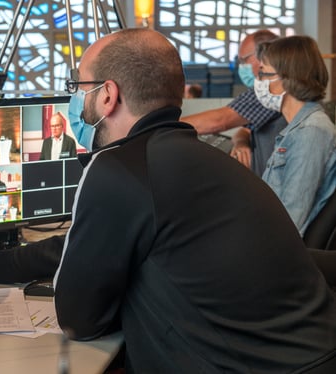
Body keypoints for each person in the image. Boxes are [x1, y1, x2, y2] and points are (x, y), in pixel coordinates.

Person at [52, 28, 336, 372]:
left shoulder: (120, 167)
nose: (76, 100)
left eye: (80, 87)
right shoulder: (206, 160)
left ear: (108, 95)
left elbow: (79, 320)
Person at [255, 35, 336, 236]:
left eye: (263, 72)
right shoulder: (296, 129)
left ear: (284, 79)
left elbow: (291, 219)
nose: (259, 82)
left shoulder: (311, 132)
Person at [182, 30, 287, 176]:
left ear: (265, 55)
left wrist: (160, 125)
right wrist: (241, 143)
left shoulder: (271, 90)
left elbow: (220, 121)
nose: (241, 66)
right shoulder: (264, 91)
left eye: (244, 60)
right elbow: (244, 131)